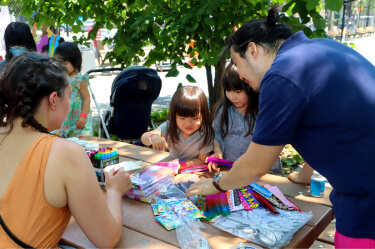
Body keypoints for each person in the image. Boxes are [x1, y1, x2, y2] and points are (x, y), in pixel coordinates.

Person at [186, 7, 375, 247]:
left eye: (236, 62)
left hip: (366, 200)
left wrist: (215, 185)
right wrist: (303, 176)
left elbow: (256, 164)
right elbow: (329, 127)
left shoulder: (281, 76)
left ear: (253, 50)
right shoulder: (319, 48)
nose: (240, 75)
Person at [0, 53, 132, 248]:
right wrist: (114, 190)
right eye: (69, 96)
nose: (70, 103)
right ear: (53, 100)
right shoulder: (63, 153)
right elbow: (107, 238)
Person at [209, 63, 283, 174]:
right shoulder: (223, 108)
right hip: (230, 170)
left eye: (238, 92)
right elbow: (216, 133)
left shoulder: (264, 112)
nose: (231, 96)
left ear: (251, 88)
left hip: (263, 173)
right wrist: (217, 151)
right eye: (228, 91)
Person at [141, 86, 214, 167]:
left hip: (194, 169)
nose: (188, 123)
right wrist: (153, 137)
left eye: (195, 118)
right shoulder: (170, 126)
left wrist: (181, 164)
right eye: (182, 118)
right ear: (174, 115)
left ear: (203, 116)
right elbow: (144, 138)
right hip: (172, 164)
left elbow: (202, 160)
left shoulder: (206, 133)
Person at [54, 42, 93, 137]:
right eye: (59, 63)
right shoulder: (58, 78)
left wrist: (83, 116)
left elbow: (87, 98)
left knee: (82, 141)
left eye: (65, 64)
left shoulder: (79, 79)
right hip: (65, 119)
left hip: (78, 120)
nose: (61, 66)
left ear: (75, 62)